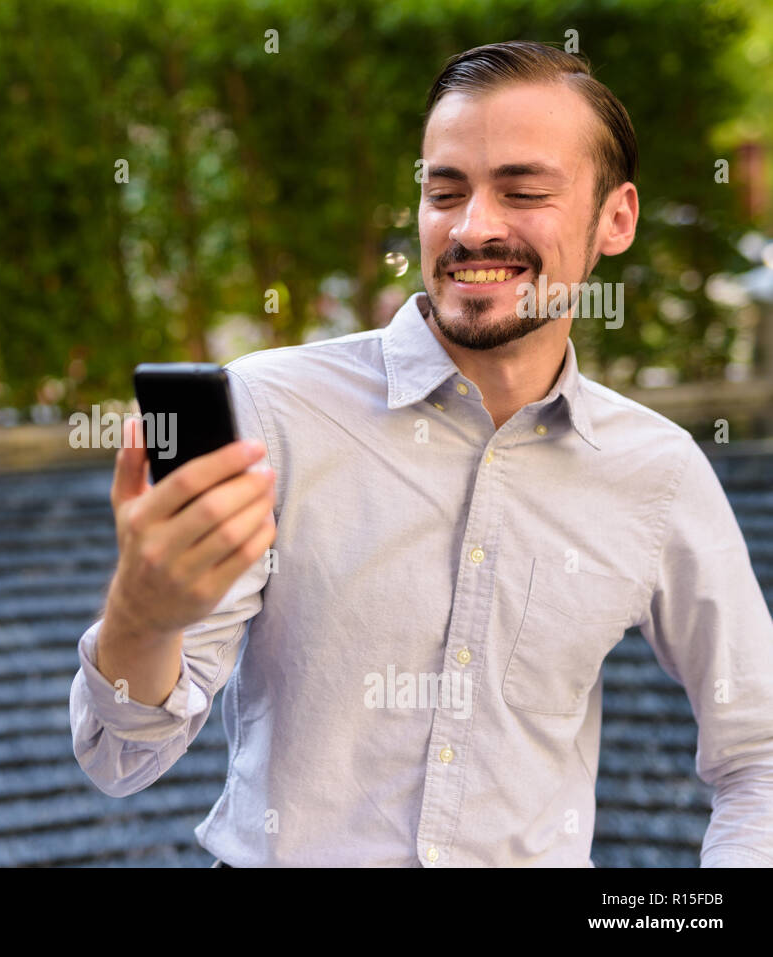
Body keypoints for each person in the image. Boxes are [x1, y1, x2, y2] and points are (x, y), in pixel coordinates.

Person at [68, 40, 773, 867]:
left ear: (615, 219)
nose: (474, 228)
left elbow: (758, 752)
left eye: (524, 191)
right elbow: (120, 759)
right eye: (446, 192)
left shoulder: (659, 469)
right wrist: (140, 618)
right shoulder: (268, 409)